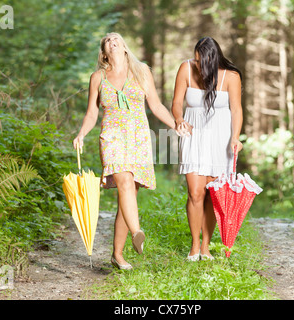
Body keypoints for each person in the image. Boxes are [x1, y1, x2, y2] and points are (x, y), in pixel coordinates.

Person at [73, 32, 180, 270]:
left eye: (117, 38)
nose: (113, 40)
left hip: (138, 138)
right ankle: (137, 232)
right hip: (111, 137)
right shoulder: (98, 77)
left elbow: (156, 105)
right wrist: (81, 133)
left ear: (124, 47)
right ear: (104, 53)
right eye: (108, 40)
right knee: (124, 181)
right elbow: (92, 113)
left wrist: (176, 125)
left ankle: (118, 255)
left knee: (128, 191)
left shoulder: (141, 71)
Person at [171, 37, 243, 261]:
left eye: (202, 62)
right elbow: (176, 103)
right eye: (196, 60)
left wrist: (235, 137)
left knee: (213, 195)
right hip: (193, 136)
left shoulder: (231, 77)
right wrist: (179, 119)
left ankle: (205, 246)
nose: (198, 65)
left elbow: (236, 110)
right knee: (195, 192)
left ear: (213, 60)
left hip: (220, 139)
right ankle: (194, 246)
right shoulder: (186, 68)